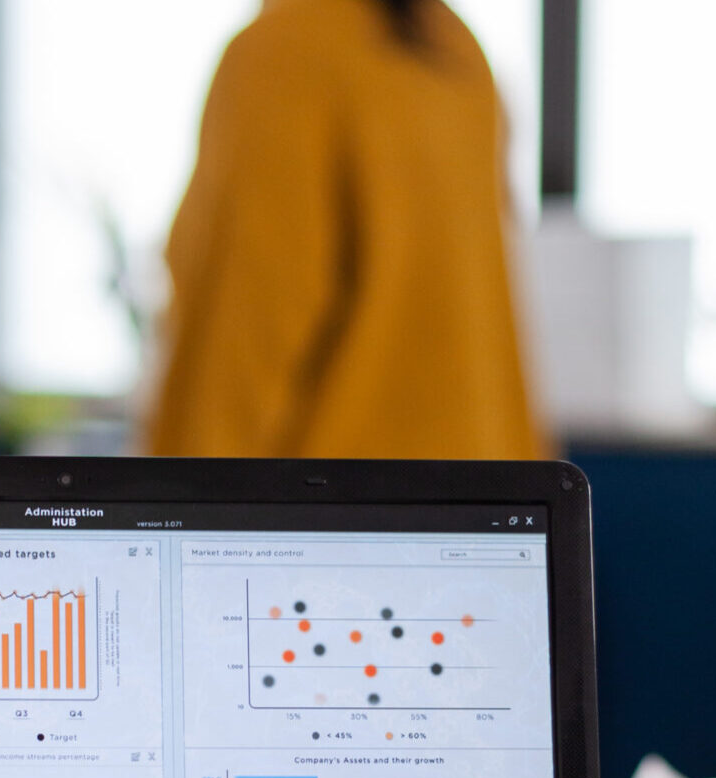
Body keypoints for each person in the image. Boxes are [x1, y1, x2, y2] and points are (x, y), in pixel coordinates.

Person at [143, 0, 552, 460]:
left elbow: (238, 352)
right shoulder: (451, 45)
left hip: (332, 516)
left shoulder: (283, 53)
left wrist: (167, 510)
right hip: (483, 510)